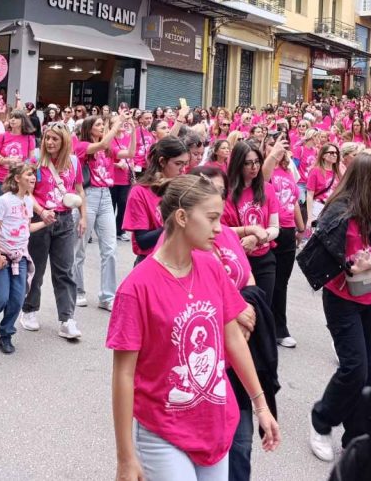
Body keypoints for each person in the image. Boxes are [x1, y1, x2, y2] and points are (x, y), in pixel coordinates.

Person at [108, 174, 280, 481]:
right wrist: (125, 457)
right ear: (182, 217)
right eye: (212, 218)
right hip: (164, 430)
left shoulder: (211, 267)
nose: (219, 227)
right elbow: (123, 374)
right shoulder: (136, 288)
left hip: (214, 423)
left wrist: (261, 404)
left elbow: (233, 339)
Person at [308, 153, 371, 462]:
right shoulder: (338, 210)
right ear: (364, 179)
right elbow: (322, 256)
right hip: (342, 299)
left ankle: (355, 435)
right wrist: (350, 266)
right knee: (354, 369)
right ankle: (321, 421)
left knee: (370, 372)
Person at [21, 124, 87, 339]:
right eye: (47, 138)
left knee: (65, 271)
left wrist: (83, 217)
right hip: (40, 220)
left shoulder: (74, 162)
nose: (50, 142)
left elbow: (79, 190)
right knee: (36, 269)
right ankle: (29, 310)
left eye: (55, 139)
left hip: (65, 220)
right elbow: (25, 191)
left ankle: (67, 318)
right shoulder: (35, 161)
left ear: (64, 141)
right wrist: (40, 210)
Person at [0, 162, 43, 355]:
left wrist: (45, 222)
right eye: (28, 174)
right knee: (0, 297)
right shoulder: (4, 201)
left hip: (20, 257)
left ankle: (6, 334)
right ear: (17, 179)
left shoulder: (28, 202)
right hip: (3, 257)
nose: (33, 178)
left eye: (33, 175)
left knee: (17, 299)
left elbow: (26, 227)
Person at [74, 113, 128, 310]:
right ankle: (78, 290)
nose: (101, 127)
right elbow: (103, 144)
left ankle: (107, 296)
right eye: (98, 124)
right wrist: (117, 125)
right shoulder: (81, 146)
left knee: (110, 249)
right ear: (89, 128)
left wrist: (132, 131)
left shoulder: (108, 148)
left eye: (102, 124)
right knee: (79, 247)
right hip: (87, 195)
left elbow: (127, 153)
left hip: (105, 195)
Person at [223, 142, 279, 302]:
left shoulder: (267, 189)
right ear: (238, 164)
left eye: (257, 162)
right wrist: (249, 231)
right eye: (248, 163)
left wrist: (257, 238)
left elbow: (275, 228)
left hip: (264, 259)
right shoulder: (226, 191)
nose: (254, 167)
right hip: (236, 260)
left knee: (262, 311)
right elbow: (219, 229)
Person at [263, 132, 304, 349]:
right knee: (267, 283)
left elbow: (294, 200)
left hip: (287, 231)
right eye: (272, 144)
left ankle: (280, 328)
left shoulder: (289, 170)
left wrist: (301, 227)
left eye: (280, 145)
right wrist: (273, 154)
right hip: (268, 231)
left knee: (281, 283)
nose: (278, 148)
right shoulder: (261, 167)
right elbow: (263, 178)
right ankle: (264, 326)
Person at [124, 136, 189, 264]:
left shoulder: (184, 186)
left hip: (181, 259)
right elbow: (143, 241)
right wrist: (174, 224)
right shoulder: (140, 191)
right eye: (178, 164)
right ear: (162, 161)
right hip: (151, 260)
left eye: (185, 164)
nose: (183, 169)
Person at [0, 109, 36, 199]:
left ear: (23, 121)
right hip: (0, 179)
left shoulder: (29, 138)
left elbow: (32, 160)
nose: (13, 120)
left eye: (16, 117)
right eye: (11, 117)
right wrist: (8, 160)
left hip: (19, 179)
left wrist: (22, 164)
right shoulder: (2, 136)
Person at [306, 142, 339, 225]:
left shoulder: (337, 172)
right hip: (319, 207)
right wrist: (310, 217)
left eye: (336, 153)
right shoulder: (315, 171)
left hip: (334, 208)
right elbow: (310, 195)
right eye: (331, 153)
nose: (335, 155)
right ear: (323, 155)